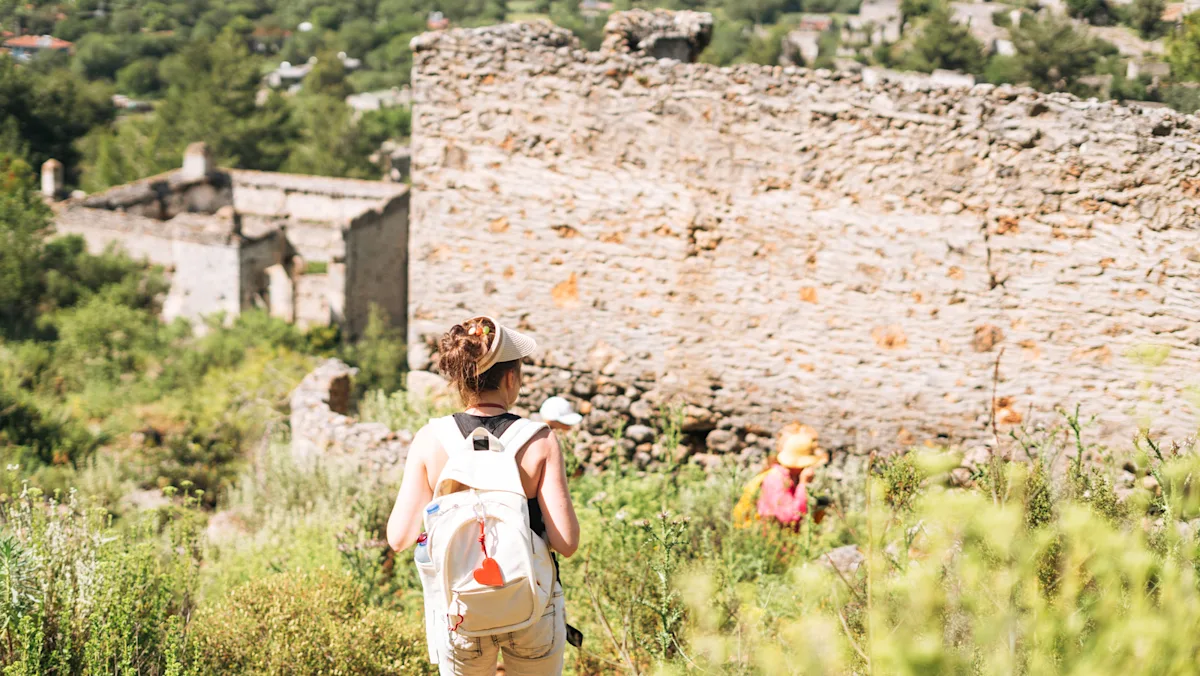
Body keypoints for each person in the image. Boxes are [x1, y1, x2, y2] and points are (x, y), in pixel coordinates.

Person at [387, 316, 580, 676]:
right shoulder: (539, 440)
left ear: (460, 379)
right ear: (510, 379)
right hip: (533, 604)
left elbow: (398, 538)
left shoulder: (431, 439)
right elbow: (566, 543)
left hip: (460, 610)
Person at [733, 423, 829, 529]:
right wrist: (803, 485)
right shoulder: (776, 479)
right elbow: (789, 518)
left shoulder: (791, 478)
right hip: (768, 537)